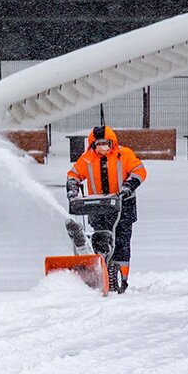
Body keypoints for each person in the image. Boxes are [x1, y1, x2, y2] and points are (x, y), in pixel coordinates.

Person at [66, 125, 147, 292]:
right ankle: (98, 273)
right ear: (93, 144)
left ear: (112, 143)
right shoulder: (87, 159)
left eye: (105, 143)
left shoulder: (124, 155)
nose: (102, 146)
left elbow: (139, 171)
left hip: (123, 206)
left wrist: (127, 187)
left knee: (121, 243)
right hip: (98, 207)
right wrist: (73, 190)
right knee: (101, 240)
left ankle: (121, 280)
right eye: (98, 143)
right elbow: (73, 175)